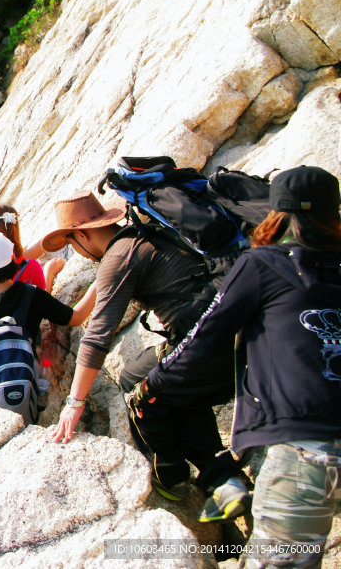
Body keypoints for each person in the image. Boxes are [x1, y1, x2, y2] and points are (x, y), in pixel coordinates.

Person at [134, 166, 341, 566]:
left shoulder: (263, 264)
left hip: (304, 451)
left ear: (274, 212)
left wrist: (154, 383)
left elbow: (205, 337)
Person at [44, 191, 246, 521]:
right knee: (137, 375)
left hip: (208, 345)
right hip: (234, 327)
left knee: (146, 397)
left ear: (82, 235)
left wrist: (74, 402)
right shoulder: (147, 232)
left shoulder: (117, 258)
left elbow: (97, 336)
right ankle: (218, 470)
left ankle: (183, 477)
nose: (75, 249)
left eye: (71, 241)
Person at [0, 231, 96, 402]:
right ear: (12, 259)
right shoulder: (34, 296)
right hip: (24, 390)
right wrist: (99, 282)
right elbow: (77, 318)